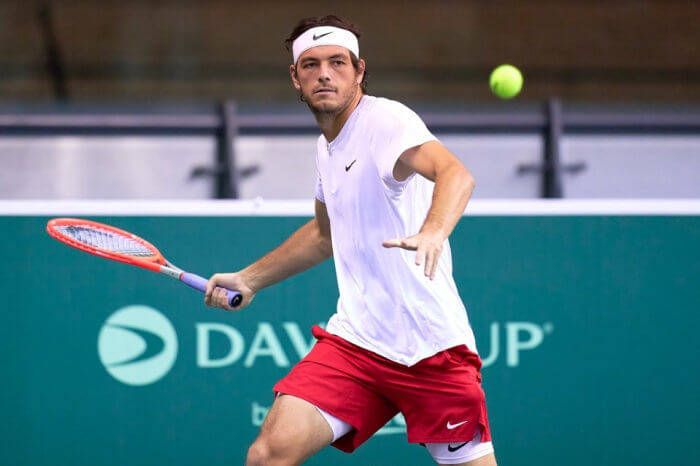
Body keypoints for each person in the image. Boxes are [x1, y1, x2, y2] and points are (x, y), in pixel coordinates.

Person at [205, 15, 497, 466]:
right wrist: (250, 278)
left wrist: (434, 230)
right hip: (358, 343)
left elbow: (456, 173)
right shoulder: (327, 148)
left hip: (430, 348)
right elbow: (325, 234)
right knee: (267, 455)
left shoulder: (386, 121)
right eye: (311, 65)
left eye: (338, 62)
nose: (324, 73)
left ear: (359, 71)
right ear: (295, 78)